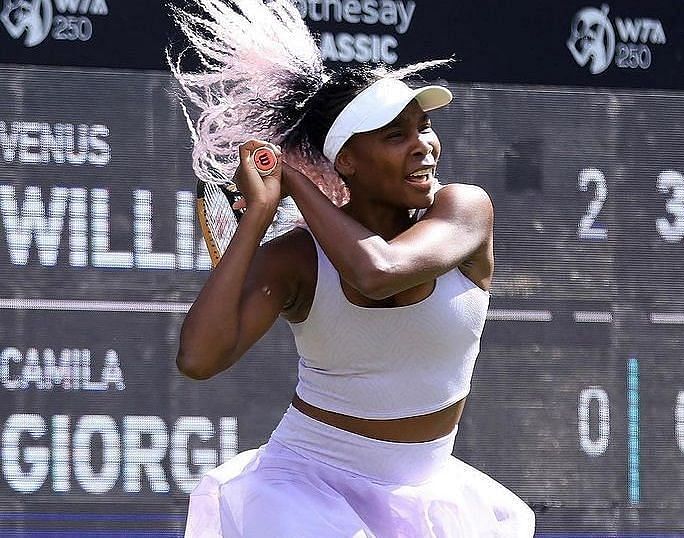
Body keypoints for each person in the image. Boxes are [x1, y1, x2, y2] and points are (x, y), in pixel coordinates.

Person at [171, 1, 536, 536]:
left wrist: (293, 181)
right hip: (303, 486)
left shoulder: (465, 210)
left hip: (430, 493)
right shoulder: (297, 257)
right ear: (346, 160)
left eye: (425, 127)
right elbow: (199, 359)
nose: (423, 147)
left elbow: (378, 270)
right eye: (396, 135)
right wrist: (255, 222)